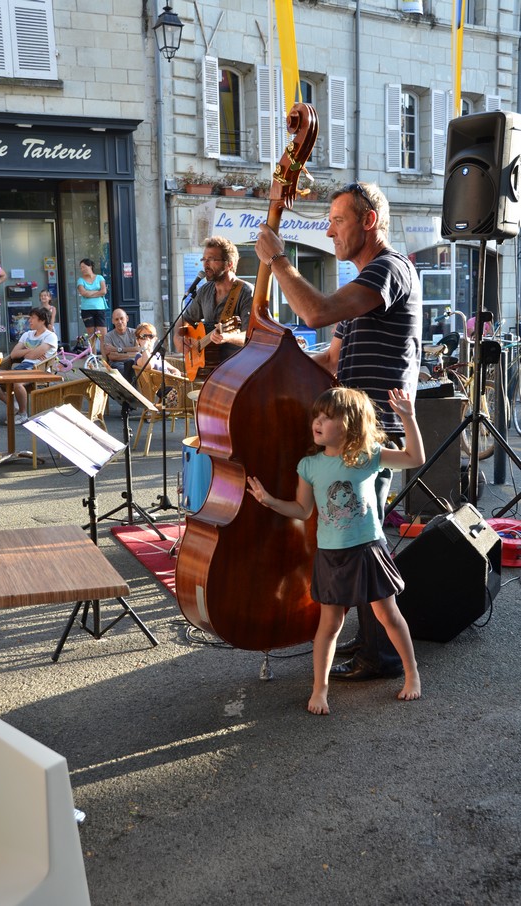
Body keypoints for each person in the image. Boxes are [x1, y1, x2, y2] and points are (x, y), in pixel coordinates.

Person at [255, 181, 422, 682]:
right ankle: (372, 641)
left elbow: (316, 312)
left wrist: (280, 262)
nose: (328, 230)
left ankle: (382, 654)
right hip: (351, 432)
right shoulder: (362, 286)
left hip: (373, 433)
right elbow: (330, 357)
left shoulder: (389, 270)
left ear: (369, 221)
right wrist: (268, 370)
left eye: (338, 220)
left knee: (360, 538)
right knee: (353, 536)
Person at [247, 386, 424, 714]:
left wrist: (409, 419)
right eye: (317, 415)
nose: (317, 421)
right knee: (329, 625)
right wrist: (268, 501)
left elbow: (415, 459)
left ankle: (412, 674)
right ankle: (320, 689)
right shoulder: (309, 465)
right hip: (332, 554)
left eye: (327, 417)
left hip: (369, 549)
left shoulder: (368, 455)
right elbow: (302, 510)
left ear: (351, 424)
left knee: (387, 614)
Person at [173, 236, 253, 377]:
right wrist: (178, 337)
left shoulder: (246, 292)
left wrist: (228, 337)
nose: (205, 264)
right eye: (204, 259)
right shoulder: (205, 290)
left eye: (211, 259)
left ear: (229, 264)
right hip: (210, 370)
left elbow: (253, 337)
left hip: (238, 371)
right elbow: (185, 318)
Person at [6, 307, 58, 424]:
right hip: (23, 366)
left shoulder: (50, 336)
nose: (29, 321)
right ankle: (13, 405)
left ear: (42, 320)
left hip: (38, 369)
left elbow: (32, 356)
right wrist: (29, 351)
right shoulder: (27, 334)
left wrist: (27, 352)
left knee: (17, 384)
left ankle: (22, 413)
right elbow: (14, 354)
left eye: (32, 318)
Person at [77, 258, 108, 350]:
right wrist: (96, 293)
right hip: (87, 310)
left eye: (84, 267)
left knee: (103, 337)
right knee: (92, 337)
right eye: (81, 268)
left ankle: (104, 360)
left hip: (100, 309)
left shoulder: (99, 278)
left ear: (90, 266)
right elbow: (83, 293)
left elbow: (103, 291)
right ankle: (92, 360)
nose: (82, 269)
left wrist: (89, 293)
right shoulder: (80, 280)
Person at [102, 308, 139, 381]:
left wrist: (116, 349)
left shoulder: (135, 333)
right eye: (116, 319)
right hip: (117, 364)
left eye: (122, 318)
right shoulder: (108, 336)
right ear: (112, 321)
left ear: (127, 318)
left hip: (134, 363)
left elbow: (138, 350)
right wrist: (131, 353)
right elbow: (112, 357)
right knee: (127, 370)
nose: (120, 322)